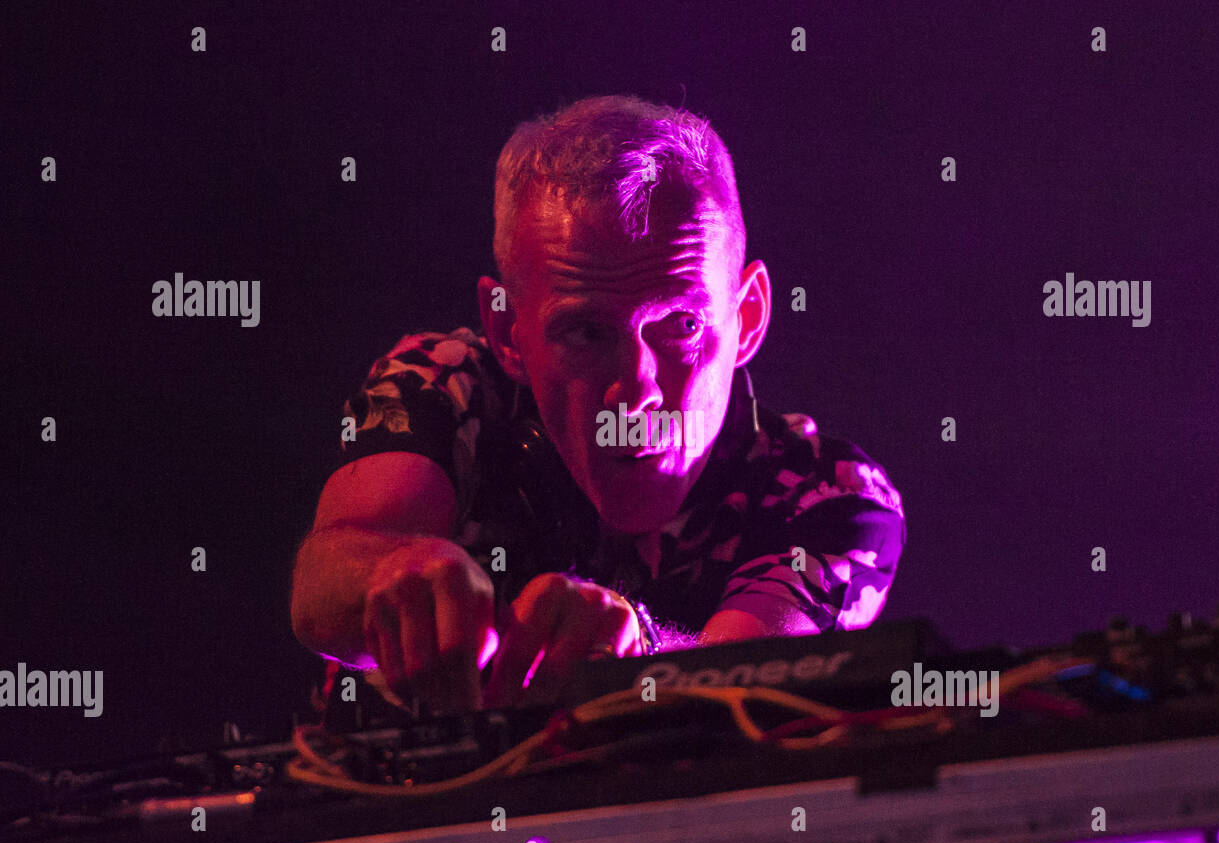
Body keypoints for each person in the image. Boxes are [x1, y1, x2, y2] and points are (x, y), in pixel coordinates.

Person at [290, 94, 906, 715]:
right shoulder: (444, 384)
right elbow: (323, 584)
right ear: (506, 332)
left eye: (683, 327)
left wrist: (636, 649)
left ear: (747, 318)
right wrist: (394, 574)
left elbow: (738, 695)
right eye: (585, 332)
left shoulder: (830, 496)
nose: (635, 391)